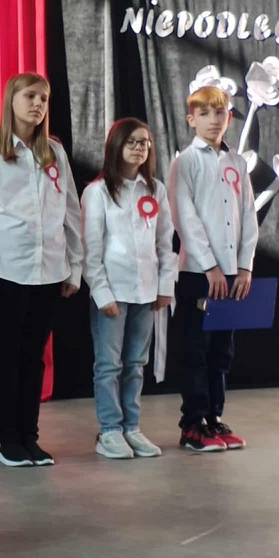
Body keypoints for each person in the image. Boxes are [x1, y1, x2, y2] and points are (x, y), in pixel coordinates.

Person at [0, 72, 83, 468]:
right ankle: (9, 440)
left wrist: (74, 267)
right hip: (7, 274)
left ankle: (31, 437)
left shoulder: (55, 153)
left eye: (44, 98)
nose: (38, 104)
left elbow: (71, 212)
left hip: (48, 271)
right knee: (7, 357)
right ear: (11, 100)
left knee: (34, 358)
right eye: (30, 96)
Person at [168, 86, 258, 452]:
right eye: (204, 114)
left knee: (222, 350)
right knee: (196, 348)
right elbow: (184, 218)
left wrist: (244, 266)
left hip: (232, 274)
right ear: (191, 119)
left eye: (220, 113)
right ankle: (192, 423)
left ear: (229, 118)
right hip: (198, 274)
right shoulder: (186, 162)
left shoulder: (237, 162)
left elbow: (248, 215)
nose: (213, 120)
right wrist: (210, 266)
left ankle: (213, 417)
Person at [81, 118, 176, 459]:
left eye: (145, 142)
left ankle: (131, 427)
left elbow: (165, 242)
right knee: (109, 364)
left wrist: (165, 286)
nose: (140, 148)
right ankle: (109, 430)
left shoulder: (156, 190)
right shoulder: (98, 192)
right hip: (113, 293)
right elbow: (90, 249)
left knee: (136, 363)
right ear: (116, 146)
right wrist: (102, 293)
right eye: (132, 142)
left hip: (146, 292)